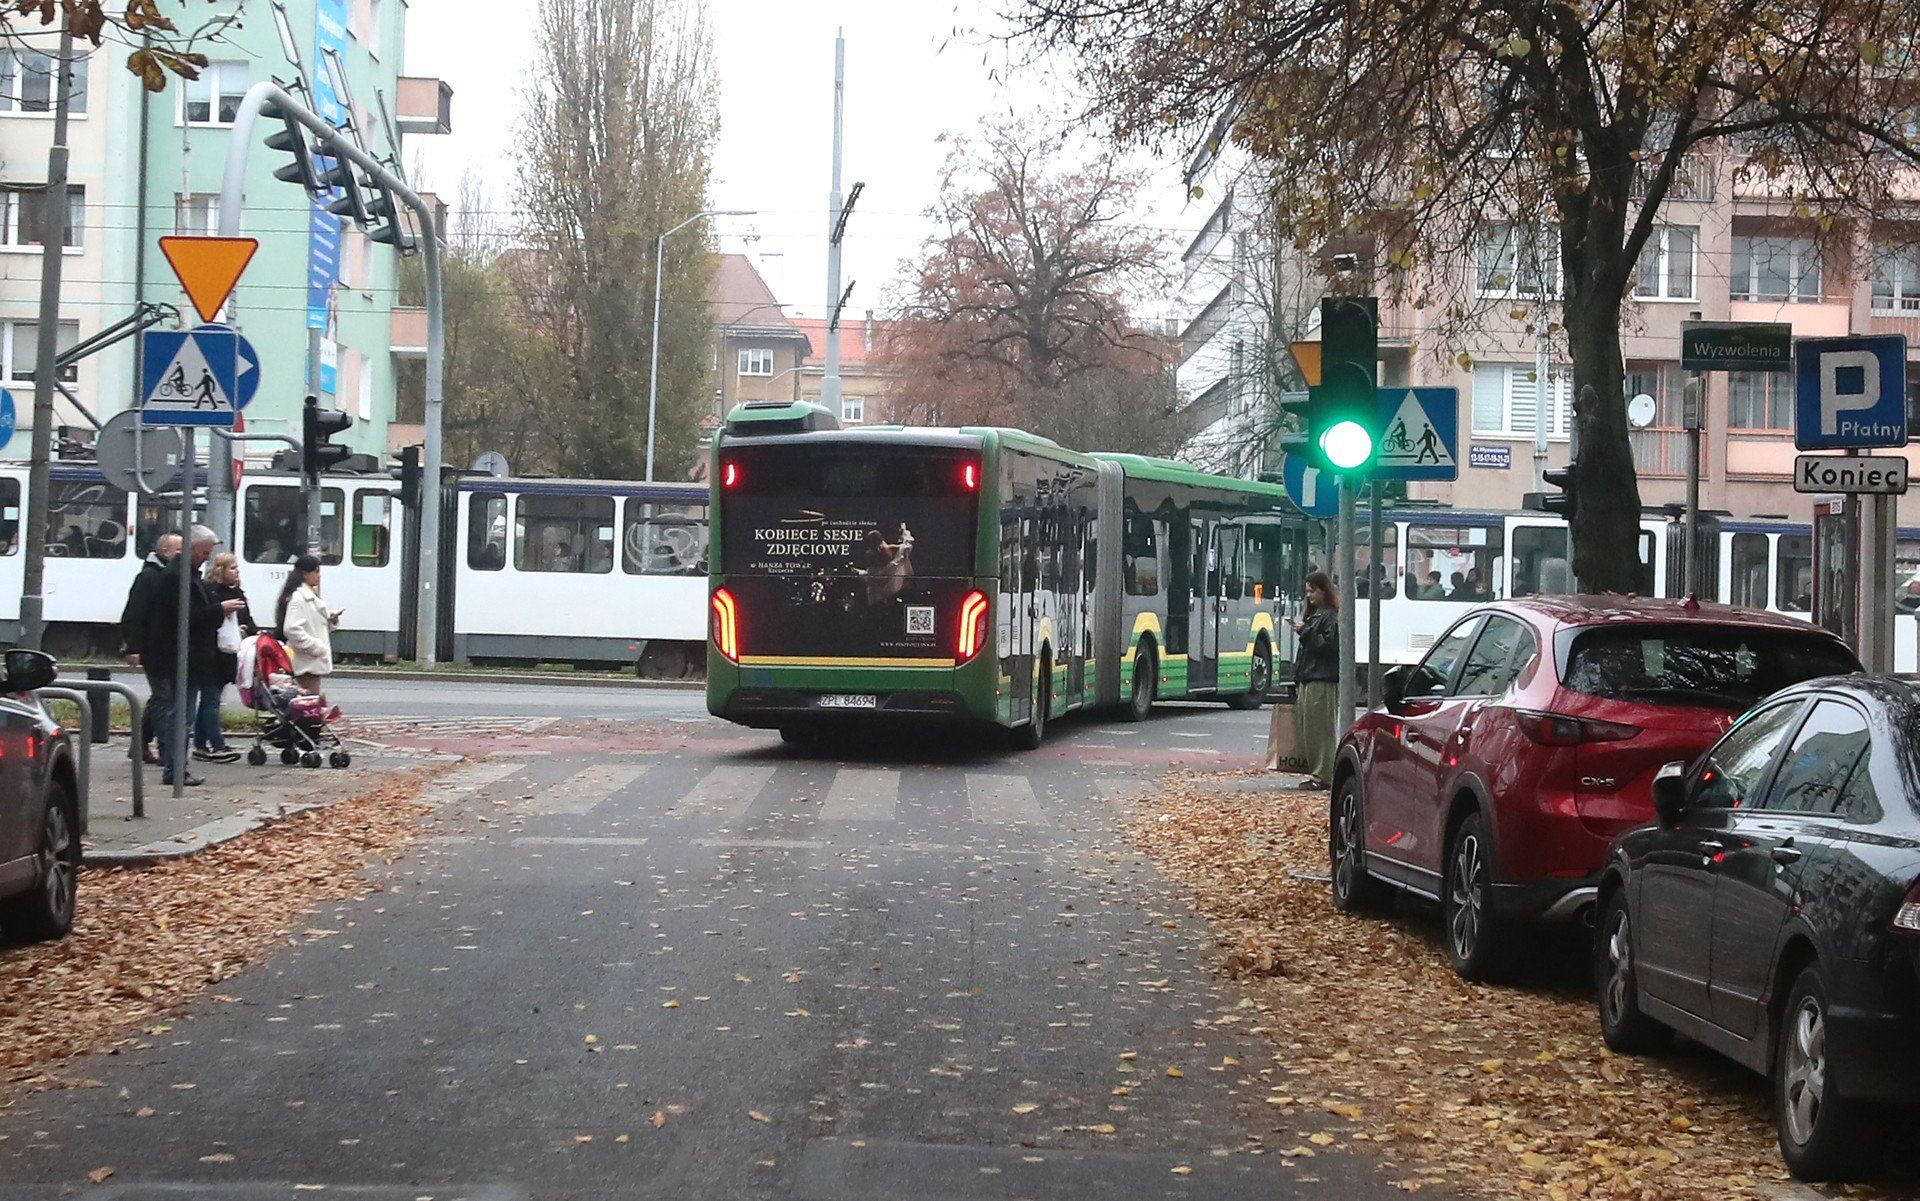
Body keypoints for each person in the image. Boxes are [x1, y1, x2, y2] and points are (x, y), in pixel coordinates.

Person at [126, 526, 243, 787]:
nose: (207, 557)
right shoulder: (175, 578)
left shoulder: (183, 574)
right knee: (178, 714)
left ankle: (174, 766)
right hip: (180, 655)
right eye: (204, 552)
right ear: (192, 550)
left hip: (187, 655)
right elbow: (185, 617)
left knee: (175, 710)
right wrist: (219, 610)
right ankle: (175, 769)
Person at [120, 532, 180, 766]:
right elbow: (132, 615)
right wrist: (132, 647)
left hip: (166, 647)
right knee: (164, 699)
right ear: (164, 552)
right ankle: (165, 751)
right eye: (177, 551)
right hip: (155, 648)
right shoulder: (149, 577)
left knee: (160, 699)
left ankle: (140, 743)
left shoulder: (169, 576)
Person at [194, 552, 257, 763]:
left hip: (228, 653)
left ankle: (201, 744)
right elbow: (206, 620)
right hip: (212, 653)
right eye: (232, 568)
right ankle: (217, 744)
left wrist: (247, 629)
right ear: (221, 570)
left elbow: (249, 619)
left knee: (210, 700)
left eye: (237, 567)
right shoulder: (211, 591)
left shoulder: (237, 592)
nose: (237, 571)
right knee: (211, 699)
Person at [1288, 570, 1341, 790]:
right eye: (1307, 591)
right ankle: (1318, 773)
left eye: (1312, 591)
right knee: (1311, 729)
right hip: (1311, 677)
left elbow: (1329, 647)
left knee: (1320, 730)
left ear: (1323, 591)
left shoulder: (1330, 616)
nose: (1309, 595)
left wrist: (1306, 631)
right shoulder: (1318, 615)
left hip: (1322, 678)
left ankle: (1322, 775)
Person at [276, 554, 341, 709]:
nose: (319, 576)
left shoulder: (306, 596)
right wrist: (317, 647)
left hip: (309, 659)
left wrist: (330, 620)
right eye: (316, 572)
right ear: (305, 574)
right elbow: (291, 629)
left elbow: (312, 624)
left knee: (311, 702)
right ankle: (308, 730)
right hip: (306, 660)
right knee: (310, 704)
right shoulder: (299, 598)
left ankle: (311, 727)